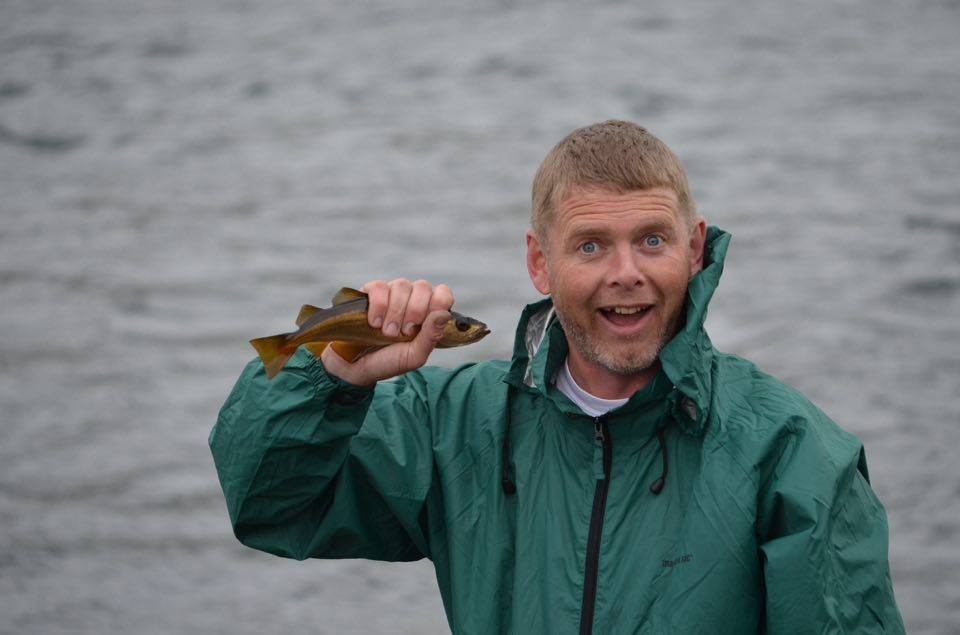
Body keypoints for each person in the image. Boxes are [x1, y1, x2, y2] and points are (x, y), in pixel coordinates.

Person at [210, 120, 904, 633]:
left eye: (653, 240)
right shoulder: (450, 423)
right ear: (540, 263)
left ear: (694, 250)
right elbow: (267, 502)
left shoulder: (795, 454)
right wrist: (332, 377)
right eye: (591, 244)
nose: (625, 272)